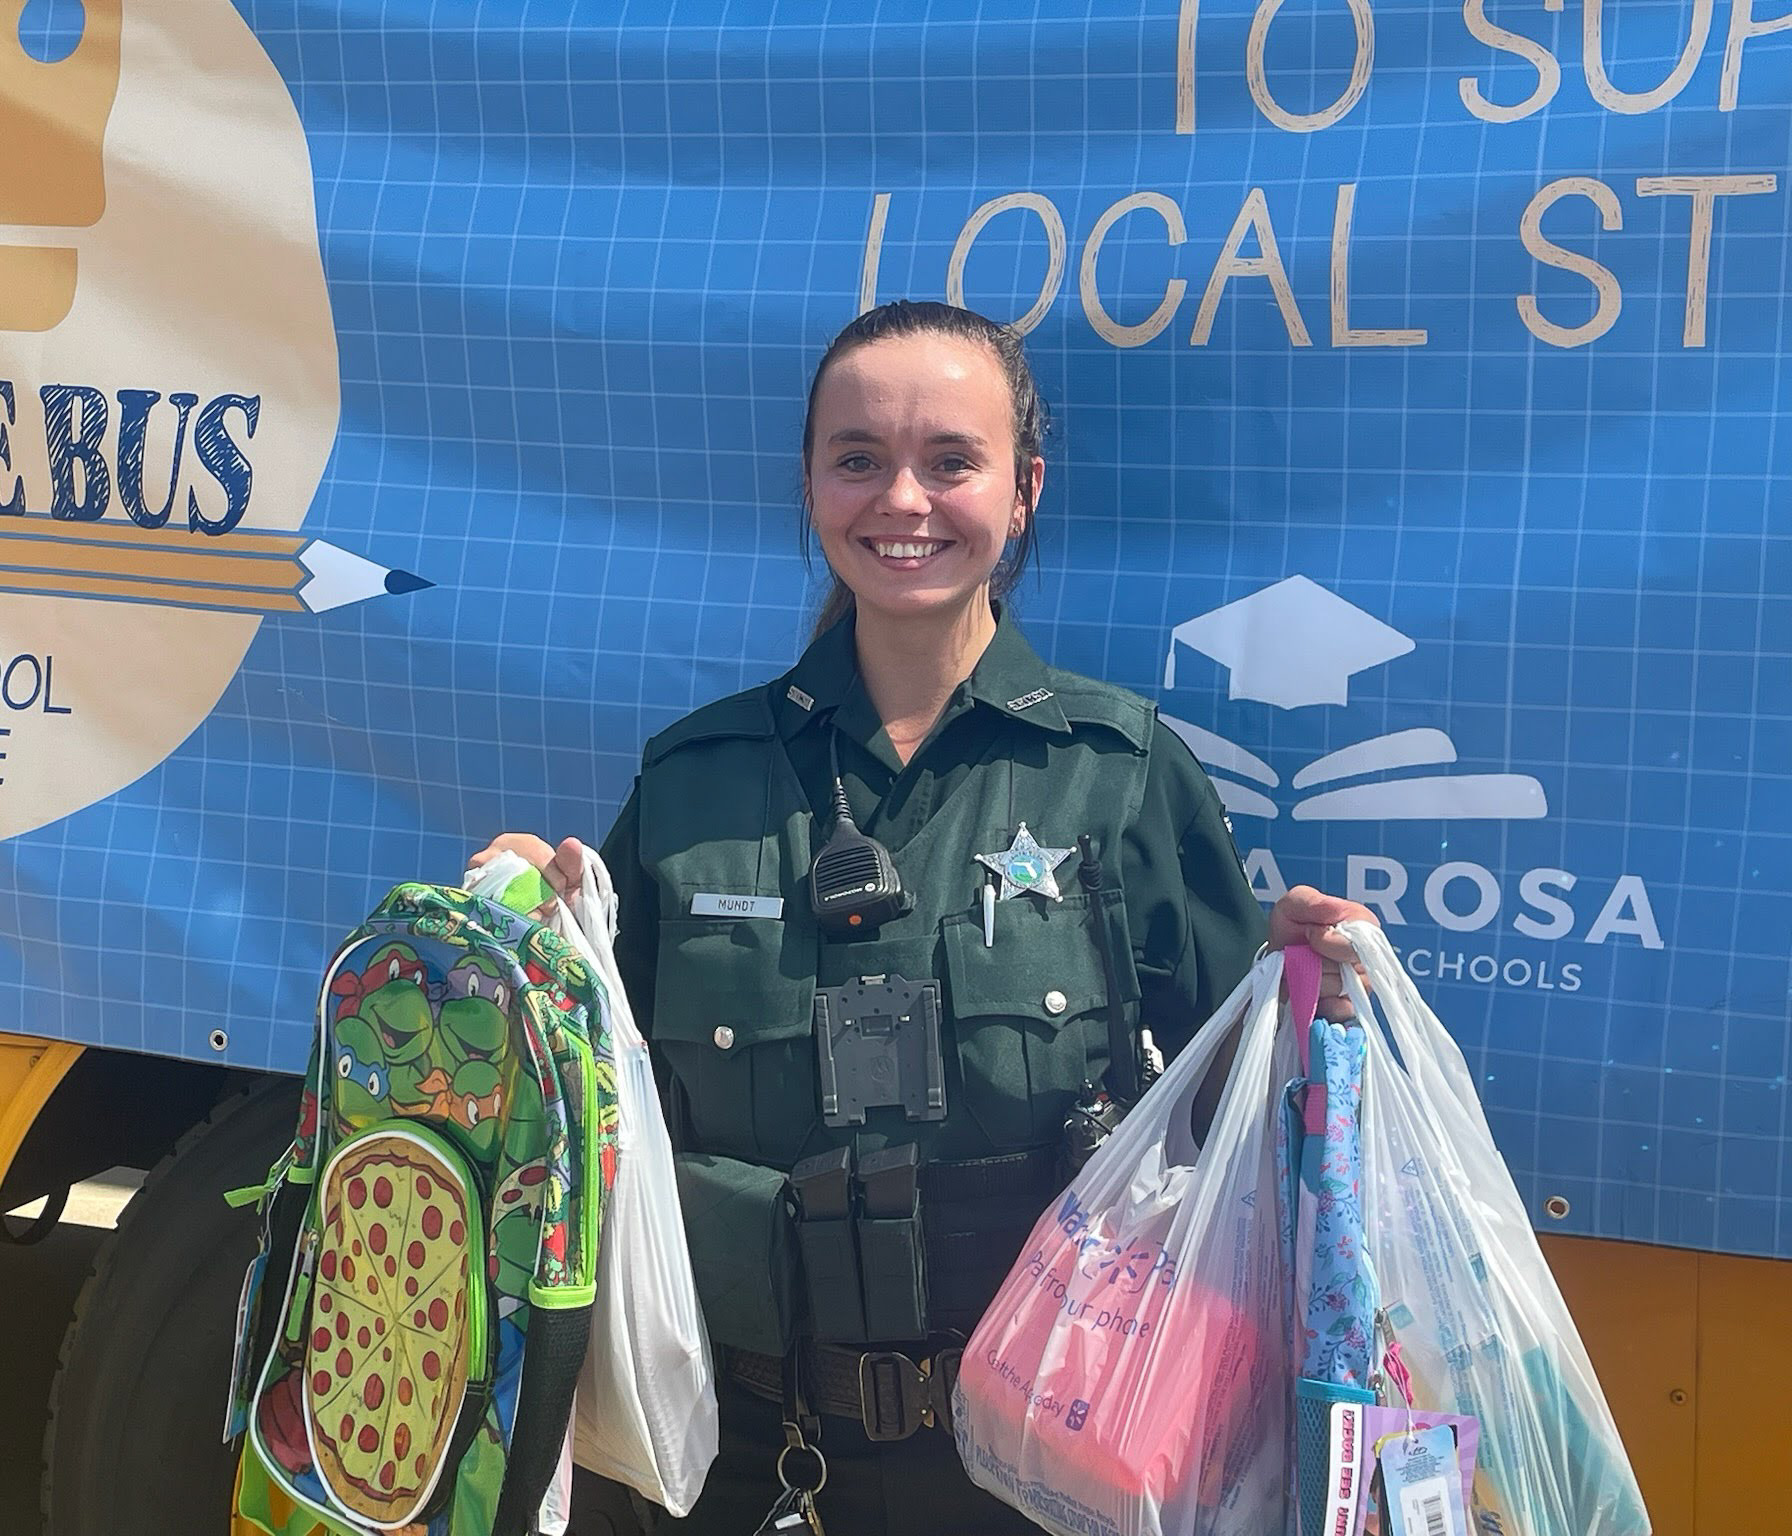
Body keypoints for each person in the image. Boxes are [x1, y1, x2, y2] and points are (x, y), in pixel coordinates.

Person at [477, 300, 1377, 1534]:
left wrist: (1298, 998)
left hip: (1045, 1460)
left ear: (1022, 492)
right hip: (746, 1457)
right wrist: (526, 944)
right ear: (809, 484)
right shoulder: (695, 784)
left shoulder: (1115, 771)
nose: (901, 499)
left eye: (950, 460)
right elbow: (592, 1109)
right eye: (857, 459)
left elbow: (1240, 1126)